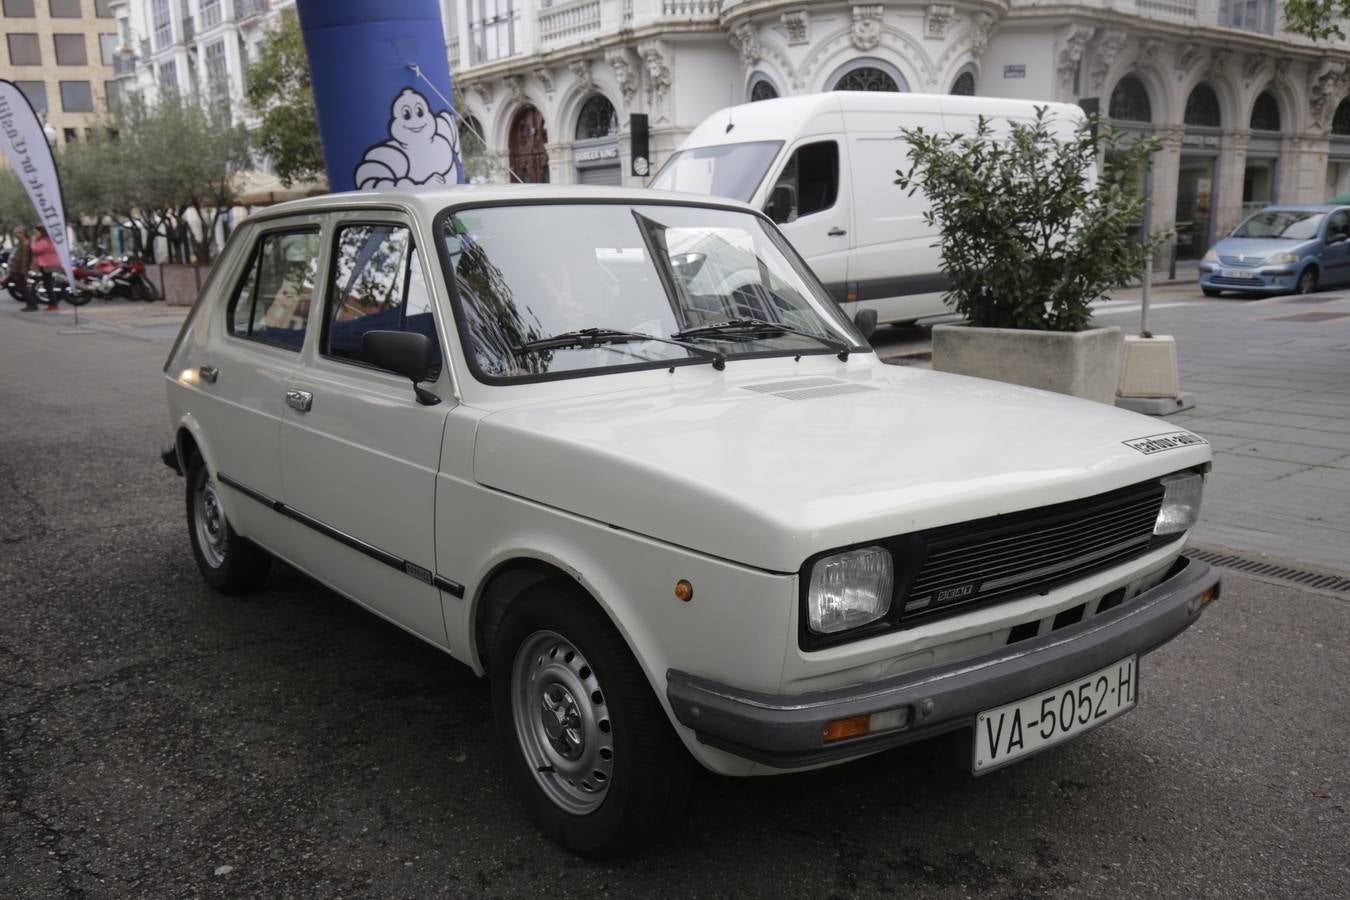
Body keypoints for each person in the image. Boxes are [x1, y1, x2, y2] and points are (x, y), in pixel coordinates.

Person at [30, 226, 61, 311]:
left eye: (36, 233)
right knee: (47, 284)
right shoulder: (45, 240)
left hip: (46, 265)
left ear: (41, 233)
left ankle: (54, 304)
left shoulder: (45, 241)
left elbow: (35, 250)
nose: (34, 235)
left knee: (48, 285)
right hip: (45, 264)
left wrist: (33, 240)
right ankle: (52, 304)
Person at [10, 227, 40, 312]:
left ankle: (32, 304)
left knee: (22, 288)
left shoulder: (25, 243)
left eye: (17, 233)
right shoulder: (21, 243)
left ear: (22, 233)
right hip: (15, 268)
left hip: (19, 269)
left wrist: (23, 270)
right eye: (14, 233)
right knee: (21, 287)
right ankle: (31, 304)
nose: (15, 235)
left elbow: (25, 258)